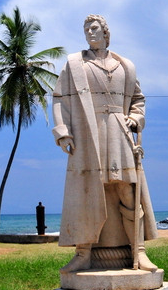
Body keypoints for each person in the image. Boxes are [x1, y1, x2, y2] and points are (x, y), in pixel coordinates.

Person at [52, 14, 158, 272]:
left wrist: (135, 118)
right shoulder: (74, 64)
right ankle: (83, 253)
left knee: (127, 189)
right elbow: (58, 98)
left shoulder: (126, 66)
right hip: (87, 133)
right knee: (88, 191)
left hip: (119, 131)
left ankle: (139, 251)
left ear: (106, 32)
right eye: (86, 28)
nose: (89, 32)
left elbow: (138, 99)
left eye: (94, 27)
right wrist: (63, 131)